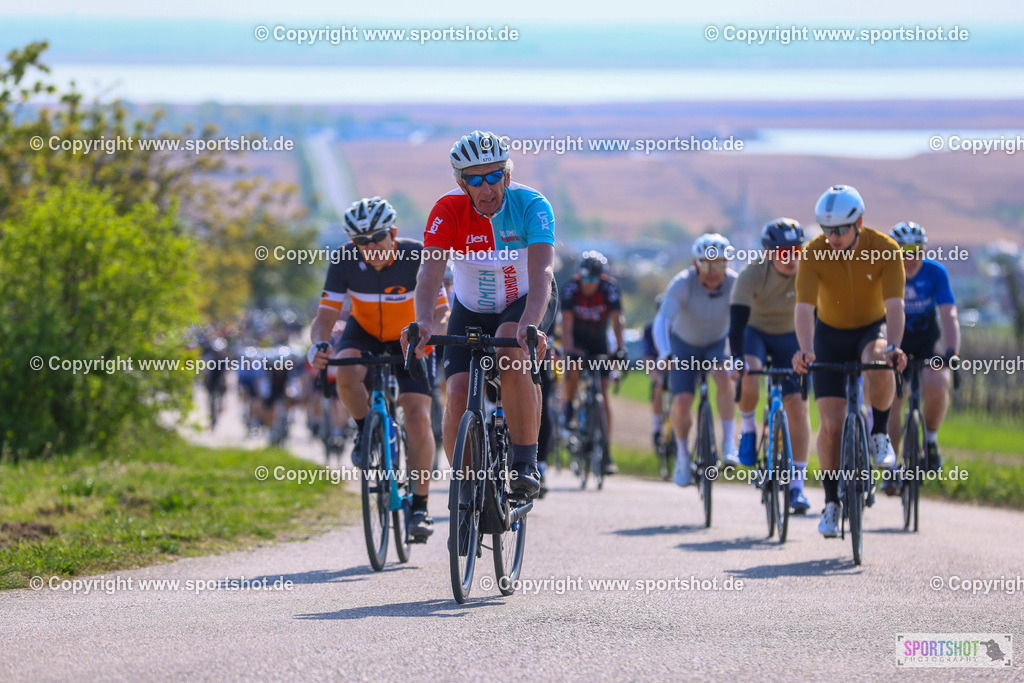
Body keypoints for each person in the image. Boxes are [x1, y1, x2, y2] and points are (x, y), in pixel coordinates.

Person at [406, 130, 557, 500]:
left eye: (494, 176)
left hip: (525, 301)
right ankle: (468, 489)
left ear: (507, 175)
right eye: (475, 179)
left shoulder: (532, 205)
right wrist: (424, 321)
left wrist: (529, 325)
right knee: (457, 392)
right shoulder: (447, 210)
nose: (487, 187)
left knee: (512, 352)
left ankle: (524, 463)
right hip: (470, 308)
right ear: (462, 183)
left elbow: (542, 274)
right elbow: (429, 273)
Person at [308, 196, 449, 542]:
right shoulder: (343, 260)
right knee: (345, 370)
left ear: (394, 233)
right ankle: (363, 429)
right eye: (361, 241)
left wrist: (429, 340)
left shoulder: (417, 254)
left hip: (411, 336)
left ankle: (419, 505)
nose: (370, 246)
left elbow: (443, 312)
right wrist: (319, 344)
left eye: (377, 237)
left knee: (417, 415)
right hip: (366, 331)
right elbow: (326, 316)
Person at [792, 185, 907, 539]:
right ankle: (831, 502)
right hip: (829, 336)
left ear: (859, 222)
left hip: (870, 330)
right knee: (830, 425)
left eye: (841, 229)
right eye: (827, 230)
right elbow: (803, 308)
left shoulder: (886, 249)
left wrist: (895, 347)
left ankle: (878, 433)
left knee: (879, 360)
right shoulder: (812, 253)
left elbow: (895, 306)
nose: (833, 237)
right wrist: (806, 349)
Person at [730, 219, 812, 513]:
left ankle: (797, 487)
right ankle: (750, 429)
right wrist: (737, 358)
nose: (790, 258)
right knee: (750, 371)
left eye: (796, 250)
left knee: (798, 407)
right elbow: (737, 323)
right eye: (782, 252)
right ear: (768, 253)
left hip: (791, 337)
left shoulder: (809, 273)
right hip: (756, 333)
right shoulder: (752, 274)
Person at [880, 222, 960, 494]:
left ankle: (930, 441)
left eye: (915, 251)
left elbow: (949, 314)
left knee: (937, 382)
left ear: (924, 250)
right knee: (892, 398)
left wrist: (952, 351)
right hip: (896, 339)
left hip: (927, 339)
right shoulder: (885, 273)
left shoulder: (936, 272)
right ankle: (891, 467)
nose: (908, 258)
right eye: (902, 251)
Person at [654, 232, 739, 486]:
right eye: (706, 264)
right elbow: (662, 321)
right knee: (682, 400)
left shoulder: (736, 283)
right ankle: (682, 456)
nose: (713, 271)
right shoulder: (682, 283)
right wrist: (665, 352)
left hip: (716, 344)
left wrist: (738, 356)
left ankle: (727, 444)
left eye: (720, 264)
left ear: (728, 264)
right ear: (695, 264)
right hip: (684, 346)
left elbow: (744, 323)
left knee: (724, 377)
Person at [560, 251, 625, 475]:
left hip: (599, 343)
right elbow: (566, 326)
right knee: (574, 369)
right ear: (580, 276)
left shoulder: (610, 289)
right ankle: (568, 407)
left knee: (604, 394)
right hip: (577, 340)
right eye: (586, 279)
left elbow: (618, 320)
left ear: (602, 278)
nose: (589, 284)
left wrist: (620, 347)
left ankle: (606, 452)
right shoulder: (570, 289)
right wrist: (569, 350)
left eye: (594, 280)